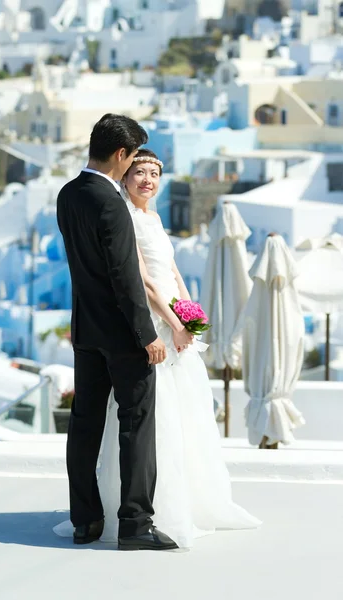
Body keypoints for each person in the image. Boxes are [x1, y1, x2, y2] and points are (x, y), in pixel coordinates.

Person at [55, 147, 261, 549]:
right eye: (139, 171)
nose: (147, 179)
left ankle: (180, 501)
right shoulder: (124, 216)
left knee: (183, 415)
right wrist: (172, 325)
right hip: (150, 323)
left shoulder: (154, 217)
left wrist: (192, 321)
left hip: (174, 323)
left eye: (155, 173)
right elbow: (144, 282)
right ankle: (141, 514)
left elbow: (172, 273)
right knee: (152, 418)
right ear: (125, 174)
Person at [56, 114, 181, 551]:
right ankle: (135, 523)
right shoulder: (111, 203)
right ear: (122, 155)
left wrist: (188, 319)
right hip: (123, 333)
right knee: (137, 423)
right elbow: (127, 278)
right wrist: (147, 334)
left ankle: (85, 520)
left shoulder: (68, 194)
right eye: (134, 162)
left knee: (85, 424)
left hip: (86, 329)